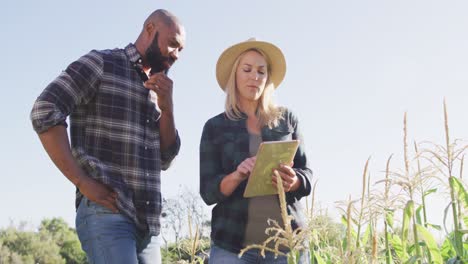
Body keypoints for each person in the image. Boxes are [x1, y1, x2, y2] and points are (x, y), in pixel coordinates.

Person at [30, 9, 185, 264]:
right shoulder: (101, 64)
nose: (176, 55)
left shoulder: (159, 89)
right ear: (149, 29)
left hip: (148, 227)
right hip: (107, 214)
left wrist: (168, 109)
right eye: (173, 44)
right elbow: (45, 110)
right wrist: (81, 181)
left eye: (181, 50)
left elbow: (165, 159)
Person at [199, 38, 312, 264]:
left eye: (261, 71)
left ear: (267, 78)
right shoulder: (214, 127)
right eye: (247, 69)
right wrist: (237, 175)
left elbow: (306, 175)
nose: (255, 77)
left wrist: (294, 181)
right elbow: (208, 192)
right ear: (235, 75)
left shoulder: (287, 119)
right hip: (231, 247)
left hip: (287, 244)